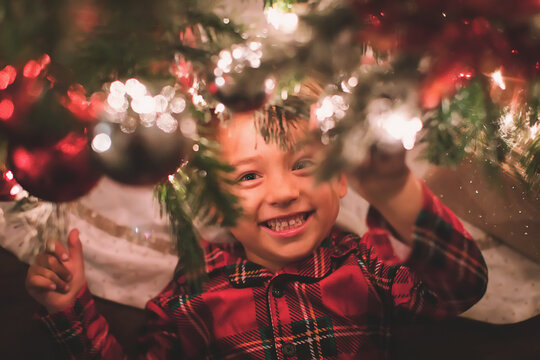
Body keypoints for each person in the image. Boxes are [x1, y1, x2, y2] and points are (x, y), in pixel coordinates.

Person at [25, 108, 488, 359]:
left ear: (341, 180)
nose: (284, 192)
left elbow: (460, 286)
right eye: (249, 177)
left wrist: (396, 192)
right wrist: (69, 311)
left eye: (303, 165)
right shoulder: (190, 294)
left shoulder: (367, 263)